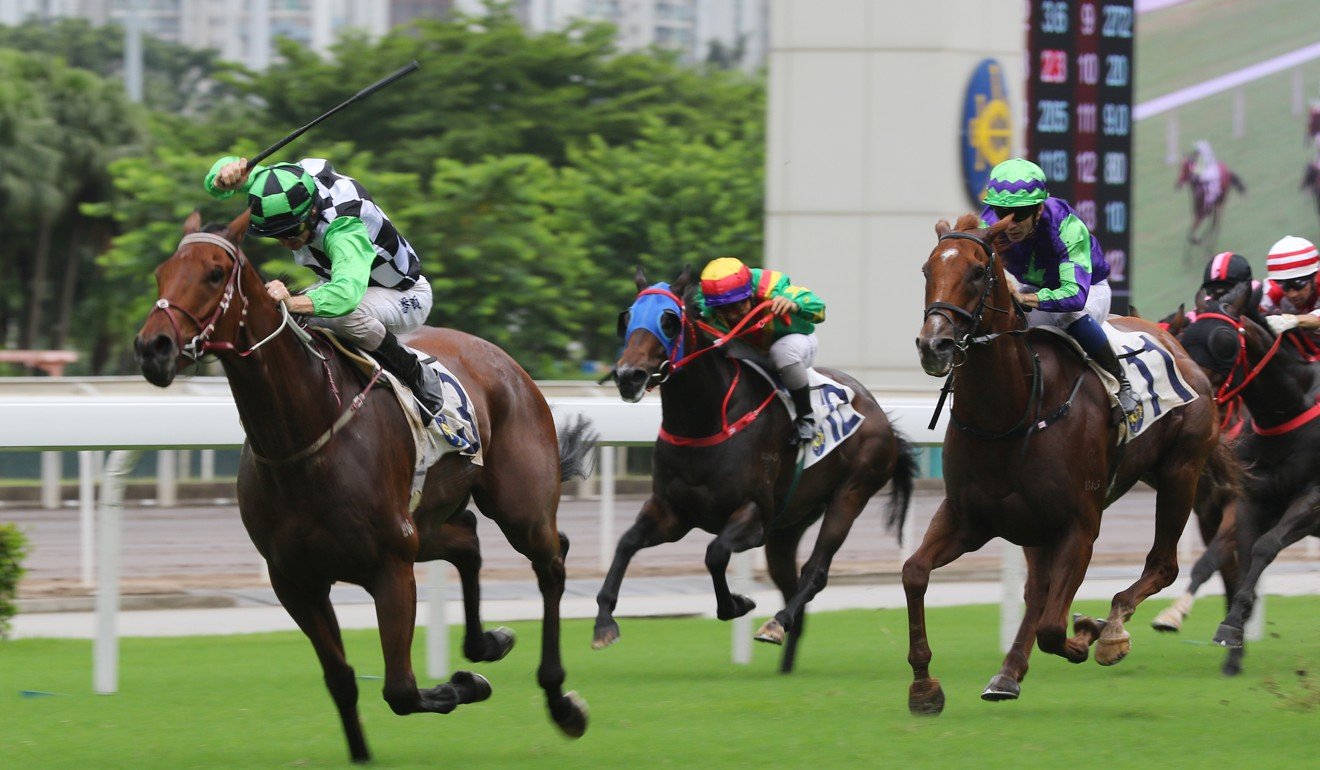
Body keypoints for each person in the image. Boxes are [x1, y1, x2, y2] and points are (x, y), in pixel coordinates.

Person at [204, 155, 443, 424]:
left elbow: (346, 296)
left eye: (290, 233)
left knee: (339, 316)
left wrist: (292, 302)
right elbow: (229, 174)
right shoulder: (287, 182)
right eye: (275, 236)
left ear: (312, 213)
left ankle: (418, 375)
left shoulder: (344, 231)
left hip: (404, 294)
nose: (284, 243)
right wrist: (221, 179)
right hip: (347, 284)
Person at [979, 157, 1141, 426]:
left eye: (1020, 214)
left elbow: (1074, 295)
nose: (1010, 224)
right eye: (1001, 213)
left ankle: (1122, 383)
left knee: (1066, 317)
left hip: (1089, 290)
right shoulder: (988, 225)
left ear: (1039, 209)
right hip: (1038, 286)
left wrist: (1025, 297)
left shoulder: (1066, 227)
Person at [694, 257, 826, 444]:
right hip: (754, 350)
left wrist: (795, 305)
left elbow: (820, 309)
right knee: (715, 349)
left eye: (737, 305)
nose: (732, 315)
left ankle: (806, 417)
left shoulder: (774, 289)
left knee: (782, 351)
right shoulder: (703, 302)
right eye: (723, 309)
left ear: (750, 294)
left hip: (797, 344)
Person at [1259, 235, 1320, 344]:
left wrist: (1293, 320)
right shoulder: (1270, 291)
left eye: (1298, 283)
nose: (1292, 294)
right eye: (1284, 285)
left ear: (1315, 276)